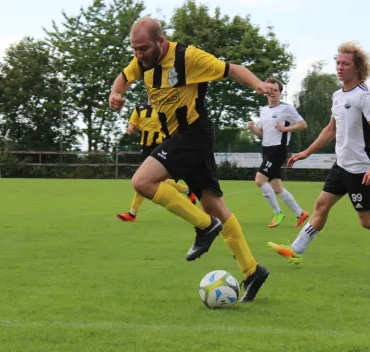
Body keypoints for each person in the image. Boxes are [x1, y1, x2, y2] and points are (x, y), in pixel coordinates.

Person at [109, 17, 272, 302]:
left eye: (143, 48)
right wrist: (115, 93)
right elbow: (123, 79)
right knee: (213, 203)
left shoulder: (188, 58)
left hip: (192, 135)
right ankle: (252, 271)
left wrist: (257, 84)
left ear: (161, 41)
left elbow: (233, 69)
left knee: (142, 181)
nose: (138, 54)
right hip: (181, 138)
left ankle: (204, 226)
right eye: (134, 49)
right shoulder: (142, 62)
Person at [267, 42, 370, 274]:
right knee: (321, 206)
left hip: (359, 169)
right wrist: (306, 152)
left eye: (345, 64)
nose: (340, 67)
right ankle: (295, 251)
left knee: (368, 220)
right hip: (341, 165)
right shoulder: (337, 96)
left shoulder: (365, 96)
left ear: (357, 68)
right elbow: (330, 130)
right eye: (338, 63)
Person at [117, 101, 197, 222]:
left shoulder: (164, 107)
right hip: (146, 147)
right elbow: (133, 122)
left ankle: (132, 213)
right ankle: (188, 190)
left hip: (161, 146)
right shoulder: (139, 108)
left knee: (143, 180)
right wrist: (130, 128)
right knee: (154, 181)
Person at [247, 77, 309, 228]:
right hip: (266, 149)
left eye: (275, 90)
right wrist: (252, 128)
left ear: (280, 92)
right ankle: (300, 213)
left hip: (278, 149)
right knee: (276, 188)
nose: (272, 93)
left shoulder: (286, 108)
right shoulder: (263, 110)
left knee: (259, 180)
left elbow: (303, 125)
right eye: (269, 90)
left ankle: (277, 212)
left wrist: (286, 129)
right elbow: (263, 133)